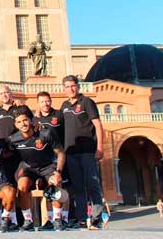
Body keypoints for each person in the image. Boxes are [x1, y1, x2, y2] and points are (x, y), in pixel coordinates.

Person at [8, 106, 67, 232]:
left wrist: (58, 172)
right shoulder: (13, 139)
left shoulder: (45, 133)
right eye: (18, 122)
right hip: (29, 168)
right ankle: (28, 220)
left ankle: (56, 220)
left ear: (30, 120)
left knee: (54, 184)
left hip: (48, 166)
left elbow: (61, 153)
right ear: (15, 124)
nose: (23, 124)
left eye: (25, 120)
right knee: (22, 186)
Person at [61, 75, 105, 228]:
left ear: (78, 86)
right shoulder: (64, 105)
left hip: (88, 151)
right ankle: (81, 219)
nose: (70, 89)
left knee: (92, 184)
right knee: (78, 187)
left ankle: (96, 218)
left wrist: (100, 147)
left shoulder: (87, 102)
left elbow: (98, 125)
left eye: (73, 86)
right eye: (67, 87)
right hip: (71, 153)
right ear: (64, 89)